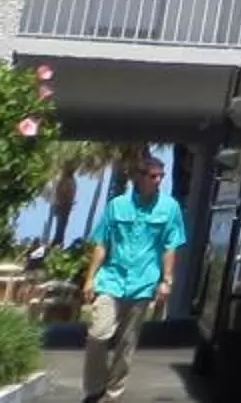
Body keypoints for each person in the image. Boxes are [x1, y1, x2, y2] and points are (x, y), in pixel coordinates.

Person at [83, 154, 187, 403]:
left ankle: (112, 395)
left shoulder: (169, 208)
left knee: (126, 345)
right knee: (98, 334)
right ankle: (95, 388)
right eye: (153, 176)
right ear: (139, 178)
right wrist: (90, 279)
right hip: (111, 280)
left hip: (142, 285)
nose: (158, 180)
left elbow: (170, 247)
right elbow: (101, 244)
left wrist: (167, 281)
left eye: (161, 176)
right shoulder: (117, 206)